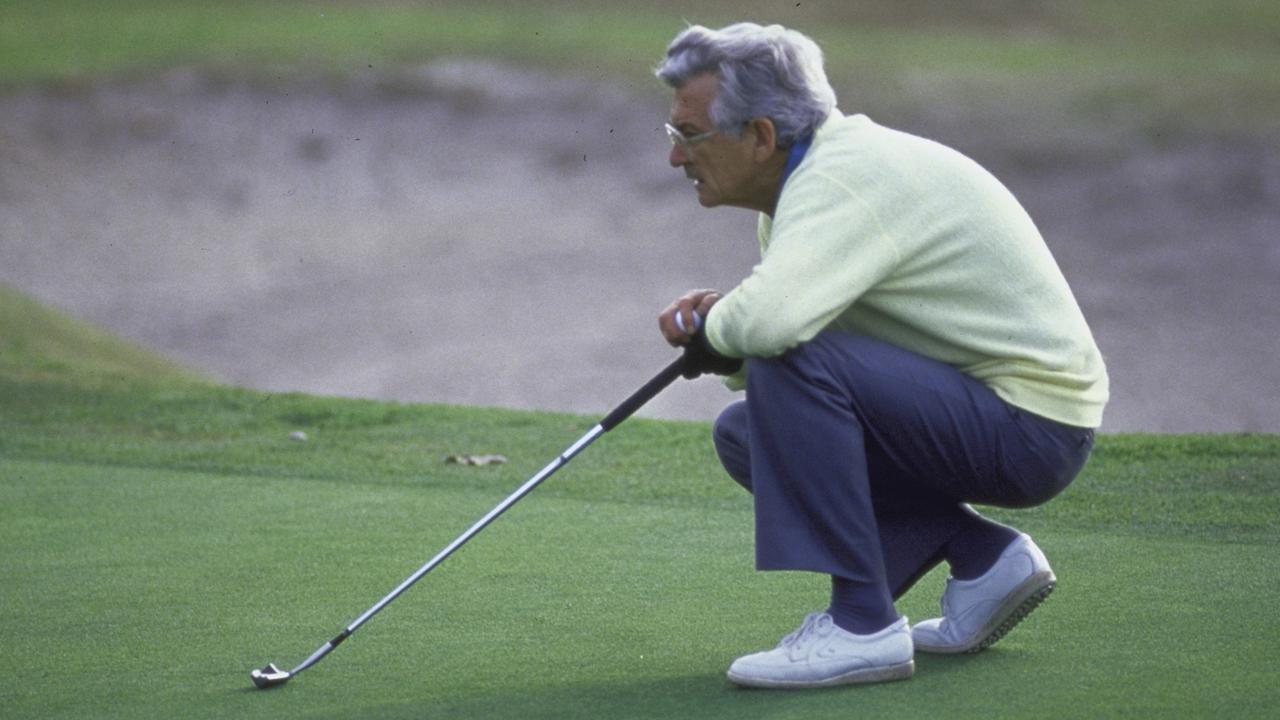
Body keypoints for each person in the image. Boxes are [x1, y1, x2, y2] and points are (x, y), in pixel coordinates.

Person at [654, 23, 1108, 689]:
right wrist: (720, 338)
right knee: (747, 435)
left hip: (1032, 426)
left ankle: (862, 627)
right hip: (996, 414)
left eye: (689, 135)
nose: (675, 158)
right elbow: (780, 347)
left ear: (760, 136)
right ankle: (983, 557)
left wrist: (719, 328)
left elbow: (779, 333)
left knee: (788, 354)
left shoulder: (842, 180)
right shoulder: (810, 182)